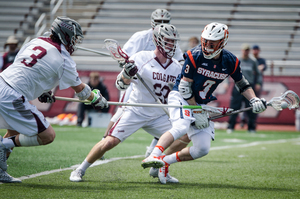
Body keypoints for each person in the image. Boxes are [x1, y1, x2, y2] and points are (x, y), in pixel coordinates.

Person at [141, 22, 267, 184]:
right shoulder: (194, 55)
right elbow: (185, 88)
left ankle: (164, 162)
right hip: (180, 96)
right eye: (205, 41)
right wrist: (198, 111)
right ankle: (153, 155)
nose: (207, 46)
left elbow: (242, 84)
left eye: (212, 43)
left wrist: (254, 99)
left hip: (200, 102)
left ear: (222, 42)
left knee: (202, 149)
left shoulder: (230, 61)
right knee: (181, 126)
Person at [0, 16, 108, 183]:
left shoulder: (37, 40)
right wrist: (97, 98)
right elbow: (82, 91)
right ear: (65, 35)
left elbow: (23, 65)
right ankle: (1, 145)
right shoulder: (63, 58)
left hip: (3, 81)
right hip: (12, 95)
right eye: (74, 38)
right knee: (47, 136)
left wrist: (42, 89)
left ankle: (0, 169)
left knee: (13, 132)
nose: (75, 43)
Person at [70, 23, 183, 183]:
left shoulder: (177, 67)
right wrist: (126, 75)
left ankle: (158, 168)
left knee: (183, 136)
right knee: (110, 141)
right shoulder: (141, 58)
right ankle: (80, 169)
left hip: (159, 114)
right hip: (136, 111)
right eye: (168, 40)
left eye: (173, 41)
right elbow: (120, 84)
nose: (171, 44)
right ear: (158, 40)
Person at [103, 8, 185, 158]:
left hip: (159, 81)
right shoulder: (141, 36)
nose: (162, 24)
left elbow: (179, 60)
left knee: (164, 114)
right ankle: (105, 140)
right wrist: (129, 68)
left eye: (165, 22)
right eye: (159, 22)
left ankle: (153, 150)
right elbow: (124, 58)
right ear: (152, 22)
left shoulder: (169, 38)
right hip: (137, 81)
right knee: (122, 110)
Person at [227, 43, 263, 133]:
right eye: (244, 50)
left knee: (251, 107)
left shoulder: (253, 61)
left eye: (247, 50)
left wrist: (258, 83)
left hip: (249, 87)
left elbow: (258, 74)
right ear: (241, 50)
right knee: (234, 107)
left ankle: (251, 127)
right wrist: (226, 82)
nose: (246, 52)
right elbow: (228, 72)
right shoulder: (237, 60)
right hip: (237, 86)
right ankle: (231, 126)